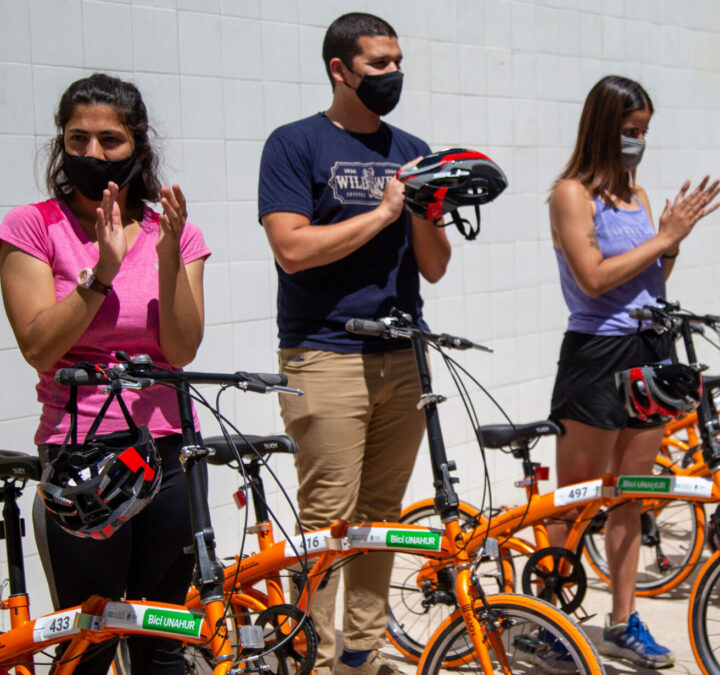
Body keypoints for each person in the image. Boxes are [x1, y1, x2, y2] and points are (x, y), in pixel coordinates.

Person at [257, 12, 450, 675]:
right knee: (327, 520)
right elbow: (291, 249)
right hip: (324, 353)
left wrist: (426, 208)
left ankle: (361, 657)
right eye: (377, 64)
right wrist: (385, 211)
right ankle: (310, 656)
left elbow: (435, 265)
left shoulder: (414, 148)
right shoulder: (295, 144)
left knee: (382, 516)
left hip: (403, 354)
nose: (392, 74)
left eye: (397, 61)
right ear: (339, 69)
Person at [0, 73, 209, 673]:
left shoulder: (177, 231)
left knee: (162, 636)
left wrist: (167, 258)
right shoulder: (32, 226)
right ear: (60, 143)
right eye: (77, 138)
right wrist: (103, 271)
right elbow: (40, 347)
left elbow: (181, 348)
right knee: (88, 636)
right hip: (80, 456)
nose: (92, 154)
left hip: (165, 454)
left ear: (138, 145)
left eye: (110, 140)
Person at [547, 75, 720, 669]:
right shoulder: (571, 194)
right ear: (601, 128)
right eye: (628, 132)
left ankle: (624, 621)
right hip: (597, 354)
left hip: (652, 350)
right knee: (574, 501)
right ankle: (549, 619)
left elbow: (649, 280)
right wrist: (664, 239)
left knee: (633, 497)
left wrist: (672, 244)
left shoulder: (640, 197)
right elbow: (594, 278)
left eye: (644, 132)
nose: (638, 142)